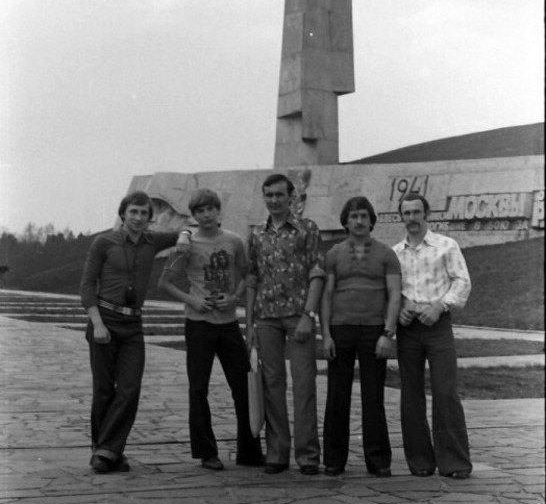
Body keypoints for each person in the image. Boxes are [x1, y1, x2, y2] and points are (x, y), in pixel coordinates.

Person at [80, 190, 189, 473]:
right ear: (123, 214)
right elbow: (87, 285)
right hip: (104, 319)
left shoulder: (153, 241)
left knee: (130, 388)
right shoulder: (104, 242)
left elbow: (184, 230)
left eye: (144, 213)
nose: (138, 218)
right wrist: (97, 324)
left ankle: (107, 450)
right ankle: (106, 451)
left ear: (150, 217)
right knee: (104, 390)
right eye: (133, 212)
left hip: (132, 327)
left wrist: (185, 235)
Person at [159, 189, 263, 471]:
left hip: (228, 323)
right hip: (198, 324)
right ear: (194, 215)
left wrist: (235, 297)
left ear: (219, 211)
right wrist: (191, 300)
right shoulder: (186, 246)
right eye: (200, 211)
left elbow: (248, 274)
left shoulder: (234, 241)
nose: (206, 215)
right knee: (198, 389)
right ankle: (207, 452)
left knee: (243, 387)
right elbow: (164, 283)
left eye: (210, 209)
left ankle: (250, 451)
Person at [246, 173, 325, 475]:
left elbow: (317, 272)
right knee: (272, 385)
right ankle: (277, 453)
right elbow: (252, 278)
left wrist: (309, 315)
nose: (274, 200)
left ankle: (308, 455)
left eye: (279, 195)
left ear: (291, 197)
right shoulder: (256, 234)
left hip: (298, 316)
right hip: (266, 317)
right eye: (269, 195)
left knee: (304, 385)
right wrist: (249, 325)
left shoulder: (307, 229)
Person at [393, 194, 473, 479]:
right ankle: (420, 461)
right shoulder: (395, 253)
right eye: (407, 213)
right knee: (411, 394)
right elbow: (392, 289)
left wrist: (440, 306)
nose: (412, 218)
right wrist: (400, 309)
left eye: (417, 212)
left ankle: (455, 462)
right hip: (409, 329)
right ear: (401, 217)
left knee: (445, 391)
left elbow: (462, 281)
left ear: (426, 214)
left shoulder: (446, 245)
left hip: (438, 325)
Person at [321, 196, 401, 477]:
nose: (358, 221)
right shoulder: (333, 254)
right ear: (345, 221)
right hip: (340, 329)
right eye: (353, 216)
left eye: (364, 216)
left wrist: (388, 333)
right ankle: (334, 459)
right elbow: (327, 295)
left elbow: (394, 294)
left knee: (373, 396)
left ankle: (378, 460)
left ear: (371, 221)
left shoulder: (386, 254)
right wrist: (326, 334)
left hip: (373, 331)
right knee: (337, 396)